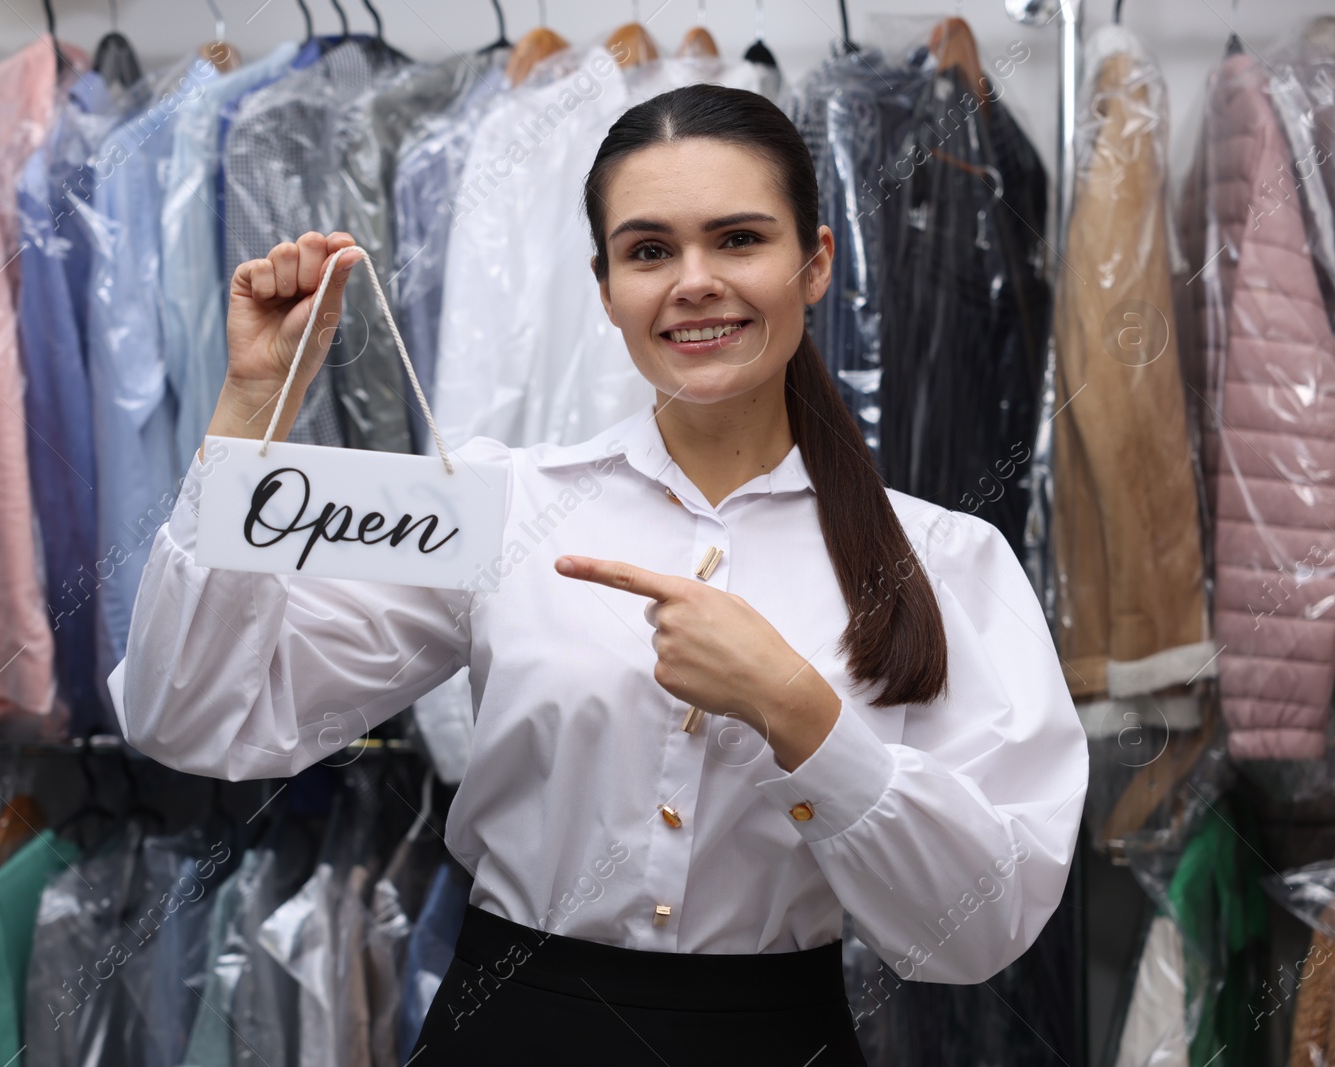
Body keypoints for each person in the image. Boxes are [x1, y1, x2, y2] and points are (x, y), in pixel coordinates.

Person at [110, 84, 1088, 1065]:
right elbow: (191, 715)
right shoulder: (496, 502)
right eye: (649, 250)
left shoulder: (947, 561)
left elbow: (978, 929)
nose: (692, 281)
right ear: (605, 282)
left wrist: (795, 707)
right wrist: (249, 405)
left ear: (816, 262)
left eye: (739, 239)